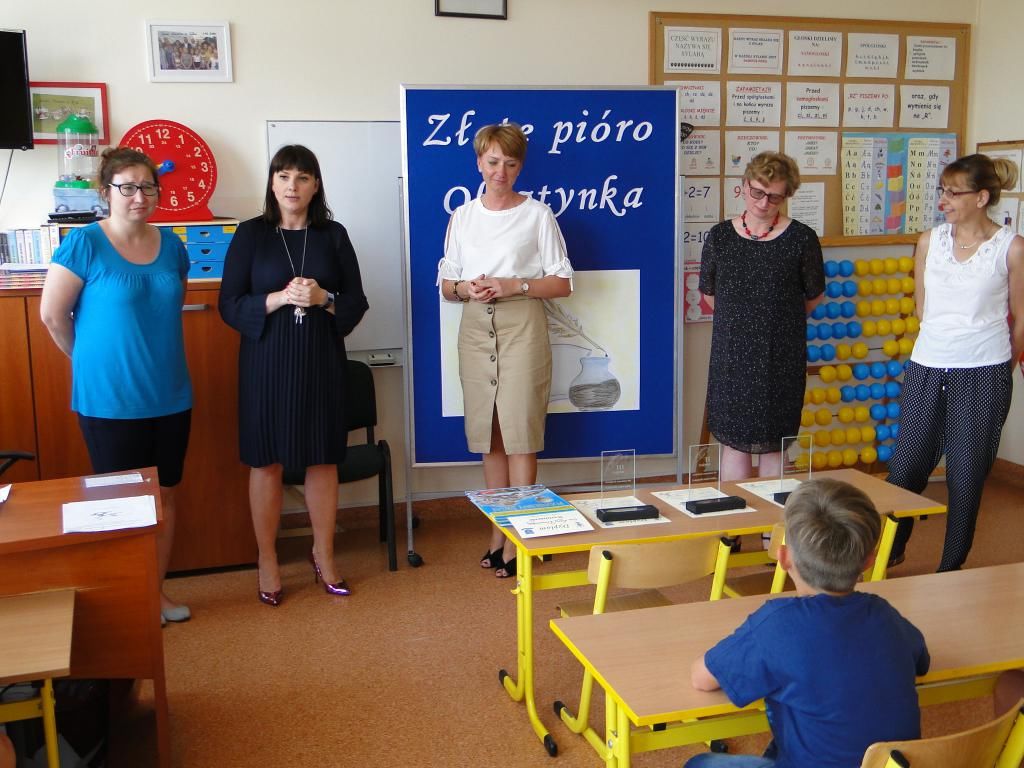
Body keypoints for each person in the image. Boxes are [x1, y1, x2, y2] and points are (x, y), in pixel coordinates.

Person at [39, 147, 193, 624]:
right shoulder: (84, 244)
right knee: (122, 503)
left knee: (164, 496)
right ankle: (128, 603)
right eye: (127, 187)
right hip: (109, 400)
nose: (138, 196)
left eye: (147, 187)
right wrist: (88, 362)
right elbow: (53, 316)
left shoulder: (173, 247)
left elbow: (169, 308)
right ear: (106, 192)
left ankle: (154, 593)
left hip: (169, 394)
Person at [685, 477, 930, 767]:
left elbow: (702, 678)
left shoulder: (777, 625)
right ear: (869, 561)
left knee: (700, 764)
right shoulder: (885, 614)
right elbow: (921, 660)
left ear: (783, 557)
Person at [219, 145, 368, 607]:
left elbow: (357, 301)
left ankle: (324, 553)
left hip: (320, 361)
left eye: (302, 177)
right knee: (265, 461)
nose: (292, 186)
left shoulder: (333, 235)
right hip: (265, 363)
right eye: (283, 176)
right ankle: (267, 559)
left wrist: (324, 298)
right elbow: (229, 304)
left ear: (315, 186)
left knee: (323, 459)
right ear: (272, 183)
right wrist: (280, 298)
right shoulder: (251, 234)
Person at [437, 123, 573, 579]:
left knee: (520, 432)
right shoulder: (462, 216)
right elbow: (447, 286)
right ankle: (498, 532)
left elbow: (562, 283)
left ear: (520, 167)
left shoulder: (538, 215)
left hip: (522, 326)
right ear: (479, 162)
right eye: (493, 162)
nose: (501, 171)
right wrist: (466, 288)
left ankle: (522, 538)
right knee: (489, 433)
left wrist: (515, 285)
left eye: (510, 164)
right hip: (476, 328)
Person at [887, 154, 1024, 572]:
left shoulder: (1012, 248)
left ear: (981, 198)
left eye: (953, 192)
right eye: (942, 190)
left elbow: (1021, 318)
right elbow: (923, 308)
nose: (942, 200)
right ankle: (891, 550)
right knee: (906, 468)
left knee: (965, 477)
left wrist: (1000, 366)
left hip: (984, 372)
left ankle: (950, 569)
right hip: (927, 366)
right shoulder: (929, 241)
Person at [700, 151, 825, 482]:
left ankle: (774, 519)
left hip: (780, 361)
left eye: (774, 196)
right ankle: (733, 517)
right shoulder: (720, 237)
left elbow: (814, 295)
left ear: (787, 196)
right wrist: (745, 320)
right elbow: (709, 293)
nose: (763, 202)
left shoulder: (802, 239)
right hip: (732, 359)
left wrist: (776, 319)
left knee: (774, 447)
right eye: (757, 191)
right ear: (744, 186)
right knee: (734, 445)